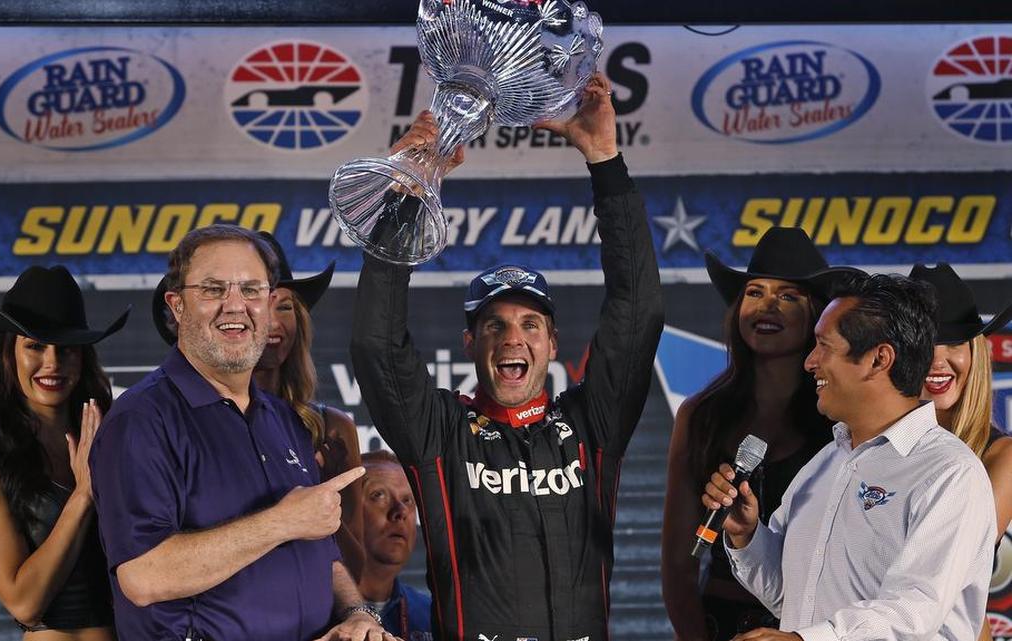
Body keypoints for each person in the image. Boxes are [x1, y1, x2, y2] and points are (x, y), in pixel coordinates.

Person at [350, 73, 664, 640]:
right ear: (471, 345)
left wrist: (605, 162)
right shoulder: (440, 433)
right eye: (494, 325)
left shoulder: (593, 425)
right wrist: (404, 193)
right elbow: (377, 344)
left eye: (529, 324)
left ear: (552, 343)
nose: (513, 338)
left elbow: (637, 314)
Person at [90, 225, 385, 641]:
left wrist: (355, 613)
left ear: (268, 303)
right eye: (212, 290)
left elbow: (323, 554)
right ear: (177, 306)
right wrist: (281, 521)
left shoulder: (284, 420)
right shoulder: (141, 420)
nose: (235, 306)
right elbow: (144, 577)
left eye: (250, 290)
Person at [703, 272, 995, 641]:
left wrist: (805, 640)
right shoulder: (824, 465)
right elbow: (791, 596)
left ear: (879, 359)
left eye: (824, 345)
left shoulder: (950, 474)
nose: (810, 362)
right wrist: (747, 535)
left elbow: (914, 609)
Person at [661, 228, 855, 641]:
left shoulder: (843, 419)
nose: (768, 306)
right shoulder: (699, 414)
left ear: (817, 315)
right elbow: (678, 563)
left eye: (787, 296)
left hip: (816, 624)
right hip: (719, 623)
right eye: (755, 292)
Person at [151, 231, 366, 579]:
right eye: (262, 301)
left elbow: (356, 568)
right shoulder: (170, 418)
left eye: (284, 306)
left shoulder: (332, 429)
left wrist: (320, 499)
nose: (271, 320)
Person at [0, 265, 128, 639]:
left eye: (66, 349)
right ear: (8, 355)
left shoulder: (118, 443)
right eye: (35, 346)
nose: (52, 362)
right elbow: (24, 602)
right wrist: (82, 496)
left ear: (83, 358)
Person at [910, 263, 1012, 641]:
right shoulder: (869, 448)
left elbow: (950, 565)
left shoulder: (1001, 457)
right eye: (925, 345)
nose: (938, 361)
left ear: (976, 352)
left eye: (954, 343)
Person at [358, 450, 433, 641]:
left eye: (408, 500)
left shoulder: (431, 613)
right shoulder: (305, 610)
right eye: (379, 495)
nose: (401, 511)